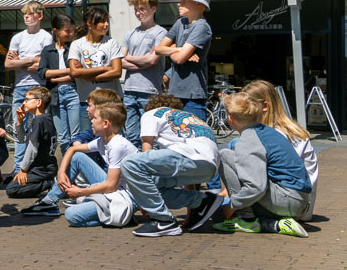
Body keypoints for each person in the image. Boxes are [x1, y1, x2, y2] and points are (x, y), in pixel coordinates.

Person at [120, 93, 221, 237]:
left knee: (129, 164)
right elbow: (189, 164)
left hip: (188, 156)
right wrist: (192, 208)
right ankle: (202, 201)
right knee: (156, 189)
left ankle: (163, 221)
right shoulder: (192, 118)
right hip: (209, 167)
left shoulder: (151, 113)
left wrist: (145, 201)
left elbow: (146, 148)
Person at [22, 102, 137, 228]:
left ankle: (121, 215)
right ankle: (50, 201)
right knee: (77, 157)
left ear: (105, 124)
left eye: (95, 118)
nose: (91, 121)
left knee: (72, 215)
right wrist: (61, 173)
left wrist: (81, 192)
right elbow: (72, 150)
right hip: (116, 189)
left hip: (126, 196)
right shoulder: (103, 140)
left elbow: (110, 186)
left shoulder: (117, 146)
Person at [213, 92, 311, 237]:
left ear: (230, 119)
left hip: (286, 200)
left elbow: (256, 187)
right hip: (300, 201)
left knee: (224, 156)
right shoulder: (268, 132)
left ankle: (247, 219)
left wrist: (232, 205)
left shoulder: (249, 141)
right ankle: (277, 224)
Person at [240, 80, 318, 221]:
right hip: (303, 207)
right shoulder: (293, 131)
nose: (243, 111)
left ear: (264, 106)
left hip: (288, 204)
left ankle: (250, 219)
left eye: (247, 106)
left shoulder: (275, 135)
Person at [4, 1, 53, 174]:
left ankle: (34, 166)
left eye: (31, 13)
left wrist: (20, 62)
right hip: (20, 87)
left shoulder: (46, 37)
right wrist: (31, 60)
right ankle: (18, 168)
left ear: (39, 16)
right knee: (19, 127)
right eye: (25, 13)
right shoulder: (18, 37)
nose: (27, 16)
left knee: (37, 129)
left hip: (38, 87)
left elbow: (45, 63)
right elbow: (8, 63)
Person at [154, 0, 213, 123]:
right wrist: (180, 48)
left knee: (195, 138)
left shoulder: (201, 26)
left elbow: (179, 59)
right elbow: (158, 49)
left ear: (198, 3)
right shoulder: (180, 23)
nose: (179, 4)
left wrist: (174, 49)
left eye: (184, 0)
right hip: (175, 93)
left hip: (193, 96)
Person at [120, 0, 168, 145]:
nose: (138, 13)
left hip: (150, 90)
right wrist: (143, 61)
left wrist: (130, 58)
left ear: (153, 9)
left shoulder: (160, 32)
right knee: (132, 137)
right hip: (129, 89)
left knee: (150, 135)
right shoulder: (130, 33)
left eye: (142, 9)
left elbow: (153, 59)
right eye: (136, 9)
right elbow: (119, 60)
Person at [68, 7, 123, 130]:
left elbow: (117, 71)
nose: (106, 25)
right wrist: (105, 68)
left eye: (107, 21)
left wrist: (87, 75)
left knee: (114, 137)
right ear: (89, 23)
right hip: (87, 101)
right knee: (89, 138)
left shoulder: (112, 43)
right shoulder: (77, 44)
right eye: (101, 21)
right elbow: (75, 71)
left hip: (111, 101)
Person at [4, 86, 56, 198]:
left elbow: (32, 148)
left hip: (42, 169)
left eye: (27, 99)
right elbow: (23, 139)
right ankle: (45, 183)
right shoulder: (39, 119)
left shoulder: (39, 121)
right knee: (11, 184)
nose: (24, 102)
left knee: (12, 189)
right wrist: (19, 122)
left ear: (38, 102)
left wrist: (23, 170)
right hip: (39, 167)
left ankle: (50, 183)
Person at [37, 14, 79, 151]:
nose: (70, 34)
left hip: (74, 93)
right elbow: (43, 72)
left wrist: (56, 78)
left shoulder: (74, 48)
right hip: (55, 95)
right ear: (56, 31)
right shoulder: (48, 50)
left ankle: (76, 169)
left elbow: (78, 73)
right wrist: (67, 70)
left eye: (71, 30)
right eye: (67, 31)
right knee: (62, 138)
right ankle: (66, 169)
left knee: (76, 136)